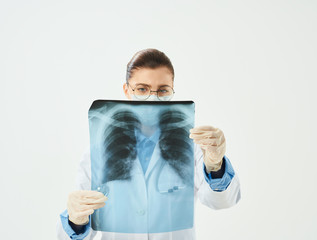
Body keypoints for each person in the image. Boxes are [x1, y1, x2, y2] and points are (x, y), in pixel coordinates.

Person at [56, 48, 241, 240]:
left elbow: (221, 202)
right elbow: (79, 232)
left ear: (172, 91)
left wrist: (215, 165)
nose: (153, 98)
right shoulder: (99, 151)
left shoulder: (193, 148)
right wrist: (75, 219)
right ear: (127, 90)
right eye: (142, 89)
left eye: (162, 90)